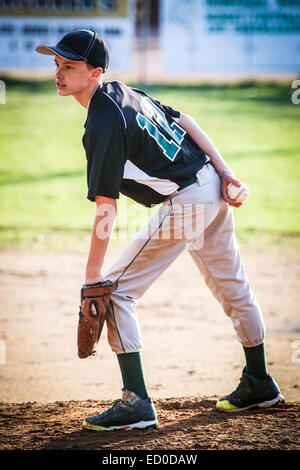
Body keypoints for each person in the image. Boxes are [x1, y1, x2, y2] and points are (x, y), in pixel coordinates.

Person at [35, 30, 284, 431]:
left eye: (69, 66)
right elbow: (185, 120)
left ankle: (136, 402)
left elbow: (106, 209)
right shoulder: (122, 92)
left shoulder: (102, 119)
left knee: (113, 293)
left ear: (95, 72)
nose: (59, 73)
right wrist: (224, 172)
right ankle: (259, 381)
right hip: (208, 188)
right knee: (232, 284)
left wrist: (91, 279)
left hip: (188, 201)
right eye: (57, 65)